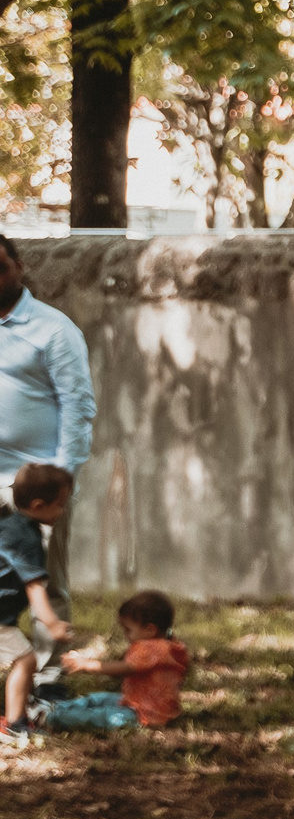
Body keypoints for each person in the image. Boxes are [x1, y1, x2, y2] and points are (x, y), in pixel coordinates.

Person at [0, 233, 95, 689]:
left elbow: (78, 408)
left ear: (18, 264)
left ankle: (47, 683)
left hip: (36, 487)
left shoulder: (54, 329)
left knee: (47, 585)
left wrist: (61, 479)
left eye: (0, 266)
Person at [0, 464, 75, 745]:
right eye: (60, 505)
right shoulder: (28, 538)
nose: (63, 511)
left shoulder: (7, 525)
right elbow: (35, 588)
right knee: (26, 661)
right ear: (38, 505)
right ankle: (15, 724)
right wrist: (53, 624)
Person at [50, 591, 189, 732]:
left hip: (144, 714)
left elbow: (124, 668)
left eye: (128, 630)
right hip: (141, 703)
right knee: (100, 699)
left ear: (150, 630)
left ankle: (52, 716)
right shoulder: (172, 645)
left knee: (101, 716)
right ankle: (55, 708)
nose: (126, 635)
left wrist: (85, 665)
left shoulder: (152, 648)